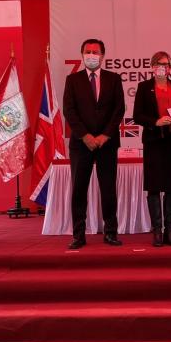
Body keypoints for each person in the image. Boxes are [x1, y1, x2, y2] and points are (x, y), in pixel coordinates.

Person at [63, 38, 126, 249]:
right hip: (81, 144)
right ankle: (78, 235)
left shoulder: (114, 79)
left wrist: (104, 136)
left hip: (107, 143)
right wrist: (86, 136)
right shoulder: (72, 80)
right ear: (82, 55)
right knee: (79, 189)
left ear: (102, 55)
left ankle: (110, 232)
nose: (91, 55)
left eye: (95, 52)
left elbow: (119, 110)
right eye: (88, 52)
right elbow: (69, 111)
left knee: (108, 189)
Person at [133, 51, 171, 247]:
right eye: (159, 63)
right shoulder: (144, 87)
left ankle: (169, 231)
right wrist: (155, 121)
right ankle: (157, 231)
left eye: (166, 64)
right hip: (154, 142)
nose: (163, 67)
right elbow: (137, 115)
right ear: (152, 66)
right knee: (154, 187)